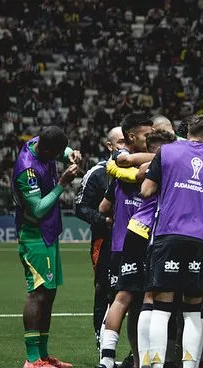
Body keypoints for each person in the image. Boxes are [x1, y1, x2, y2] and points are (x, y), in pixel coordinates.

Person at [141, 115, 203, 368]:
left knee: (161, 309)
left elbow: (146, 189)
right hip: (199, 237)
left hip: (168, 233)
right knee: (193, 311)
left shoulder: (166, 151)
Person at [12, 126, 81, 368]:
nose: (60, 157)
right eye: (58, 153)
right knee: (38, 292)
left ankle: (43, 354)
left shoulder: (40, 144)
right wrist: (62, 183)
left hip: (49, 234)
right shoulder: (27, 170)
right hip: (33, 236)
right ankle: (31, 358)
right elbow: (38, 209)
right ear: (47, 150)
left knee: (49, 293)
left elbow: (64, 152)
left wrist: (72, 153)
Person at [92, 113, 154, 368]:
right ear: (131, 137)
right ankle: (107, 364)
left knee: (133, 305)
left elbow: (104, 208)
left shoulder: (118, 168)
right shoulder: (133, 162)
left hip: (121, 242)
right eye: (145, 134)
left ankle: (133, 366)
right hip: (136, 243)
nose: (150, 137)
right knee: (126, 300)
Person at [75, 126, 121, 354]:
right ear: (109, 146)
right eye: (120, 142)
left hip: (134, 240)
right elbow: (79, 207)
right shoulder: (97, 173)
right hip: (105, 241)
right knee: (104, 290)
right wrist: (104, 221)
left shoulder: (141, 169)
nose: (124, 146)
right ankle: (102, 345)